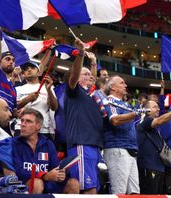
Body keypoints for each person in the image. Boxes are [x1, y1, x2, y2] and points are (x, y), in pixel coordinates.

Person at [64, 39, 104, 194]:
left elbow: (92, 78)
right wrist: (80, 54)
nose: (90, 76)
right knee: (87, 189)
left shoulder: (90, 93)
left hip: (93, 145)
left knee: (92, 188)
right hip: (81, 143)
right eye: (85, 74)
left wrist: (93, 63)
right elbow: (74, 76)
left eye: (90, 74)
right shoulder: (73, 91)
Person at [12, 108, 79, 194]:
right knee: (36, 183)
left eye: (28, 121)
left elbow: (54, 167)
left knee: (74, 184)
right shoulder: (14, 143)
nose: (23, 124)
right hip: (24, 184)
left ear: (38, 126)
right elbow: (18, 172)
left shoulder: (48, 144)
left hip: (47, 182)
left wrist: (60, 174)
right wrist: (44, 175)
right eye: (22, 121)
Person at [103, 75, 144, 194]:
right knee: (119, 191)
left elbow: (132, 121)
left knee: (134, 192)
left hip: (130, 150)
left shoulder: (125, 104)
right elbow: (115, 120)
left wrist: (139, 115)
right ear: (112, 87)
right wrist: (135, 113)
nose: (125, 85)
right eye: (121, 83)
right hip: (118, 148)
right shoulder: (110, 101)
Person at [137, 99, 171, 194]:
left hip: (158, 167)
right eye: (154, 107)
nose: (158, 109)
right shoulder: (146, 121)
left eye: (158, 107)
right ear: (145, 110)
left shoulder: (155, 128)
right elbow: (160, 120)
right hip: (149, 166)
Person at [15, 61, 58, 139]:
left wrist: (49, 90)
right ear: (23, 75)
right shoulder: (18, 89)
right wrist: (28, 99)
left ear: (39, 73)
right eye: (26, 69)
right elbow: (13, 108)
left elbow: (54, 107)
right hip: (21, 128)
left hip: (42, 129)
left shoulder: (48, 87)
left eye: (33, 68)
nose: (29, 70)